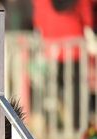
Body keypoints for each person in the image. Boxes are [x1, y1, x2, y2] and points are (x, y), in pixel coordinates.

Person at [32, 0, 94, 130]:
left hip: (51, 50)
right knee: (77, 92)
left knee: (50, 91)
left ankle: (52, 126)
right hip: (75, 49)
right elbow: (88, 20)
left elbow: (38, 20)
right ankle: (78, 127)